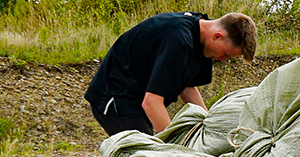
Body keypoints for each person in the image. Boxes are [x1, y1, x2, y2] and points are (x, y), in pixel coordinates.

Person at [85, 11, 256, 135]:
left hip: (137, 101)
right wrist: (175, 150)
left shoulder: (203, 40)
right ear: (217, 36)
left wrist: (210, 123)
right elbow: (152, 103)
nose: (223, 59)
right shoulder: (179, 39)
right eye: (225, 54)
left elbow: (187, 88)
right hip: (115, 97)